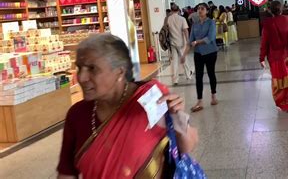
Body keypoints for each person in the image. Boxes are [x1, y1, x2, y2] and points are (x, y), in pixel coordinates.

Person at [57, 34, 198, 178]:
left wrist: (177, 117)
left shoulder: (150, 97)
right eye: (79, 68)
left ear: (119, 72)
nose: (81, 77)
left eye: (92, 69)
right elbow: (66, 173)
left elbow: (187, 146)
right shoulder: (77, 114)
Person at [259, 0, 288, 116]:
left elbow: (264, 43)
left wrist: (261, 58)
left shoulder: (267, 24)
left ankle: (283, 104)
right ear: (281, 9)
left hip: (276, 59)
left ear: (270, 10)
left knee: (279, 83)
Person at [181, 3, 219, 113]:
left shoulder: (211, 22)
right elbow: (189, 41)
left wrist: (197, 42)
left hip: (211, 52)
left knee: (211, 73)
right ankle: (200, 101)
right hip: (198, 53)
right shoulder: (195, 25)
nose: (200, 10)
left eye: (202, 9)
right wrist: (184, 55)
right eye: (198, 9)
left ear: (207, 11)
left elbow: (210, 38)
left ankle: (213, 96)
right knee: (198, 76)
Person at [168, 3, 193, 85]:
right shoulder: (182, 19)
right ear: (178, 10)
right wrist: (188, 40)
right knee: (184, 59)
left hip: (172, 42)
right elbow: (185, 30)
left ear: (171, 10)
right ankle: (188, 75)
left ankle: (175, 79)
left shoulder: (168, 19)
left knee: (174, 61)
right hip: (181, 42)